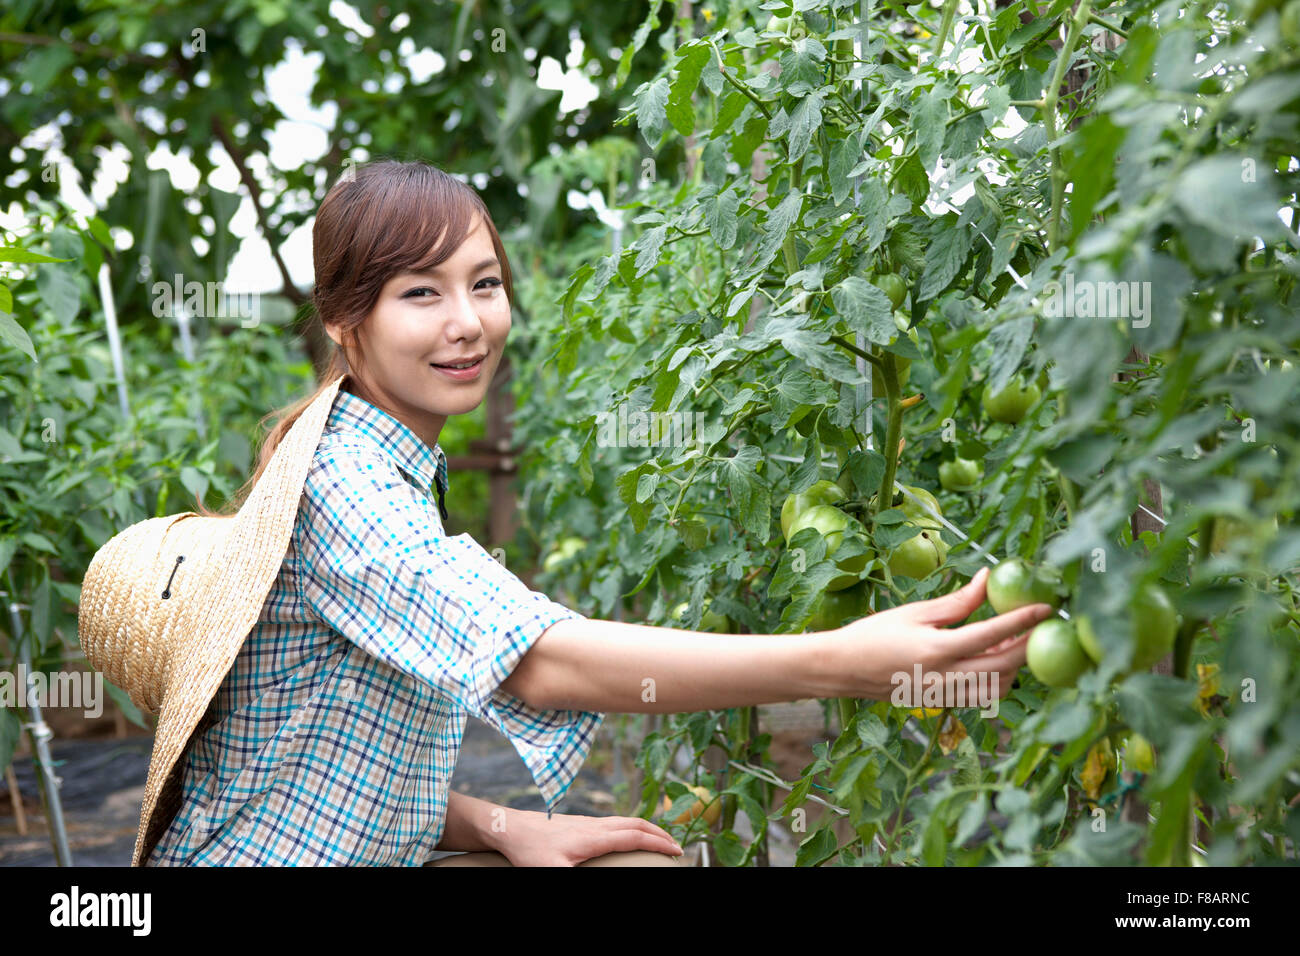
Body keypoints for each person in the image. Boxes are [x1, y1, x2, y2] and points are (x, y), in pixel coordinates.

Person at [146, 160, 1051, 867]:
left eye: (484, 283)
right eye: (421, 293)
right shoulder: (349, 484)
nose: (467, 322)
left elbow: (329, 771)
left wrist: (502, 825)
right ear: (348, 322)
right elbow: (542, 662)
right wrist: (842, 665)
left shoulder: (372, 452)